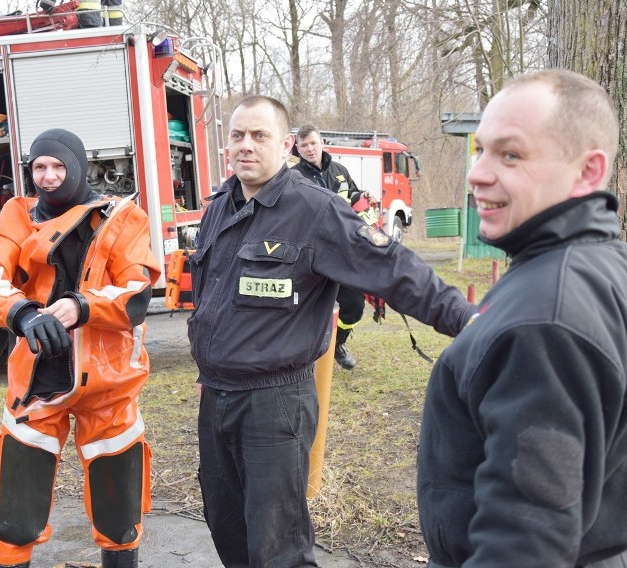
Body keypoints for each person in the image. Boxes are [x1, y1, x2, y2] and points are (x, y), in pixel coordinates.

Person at [416, 69, 627, 567]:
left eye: (511, 154)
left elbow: (524, 544)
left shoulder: (542, 320)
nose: (478, 173)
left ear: (589, 171)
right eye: (480, 150)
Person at [187, 95, 476, 568]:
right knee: (228, 530)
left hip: (274, 401)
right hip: (217, 396)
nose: (246, 146)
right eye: (237, 136)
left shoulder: (315, 210)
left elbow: (394, 270)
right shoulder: (221, 204)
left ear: (286, 146)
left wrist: (467, 321)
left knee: (278, 547)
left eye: (259, 136)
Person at [0, 128, 160, 568]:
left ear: (78, 167)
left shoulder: (121, 219)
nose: (49, 176)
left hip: (109, 383)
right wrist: (24, 314)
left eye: (58, 166)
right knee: (16, 512)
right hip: (37, 379)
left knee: (119, 514)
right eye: (40, 167)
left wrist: (79, 306)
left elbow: (137, 293)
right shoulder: (17, 214)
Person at [291, 124, 368, 369]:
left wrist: (365, 198)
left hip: (342, 252)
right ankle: (302, 356)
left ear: (321, 142)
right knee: (304, 308)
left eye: (313, 143)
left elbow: (354, 199)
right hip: (310, 257)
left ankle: (338, 344)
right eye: (304, 145)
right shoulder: (293, 178)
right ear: (297, 148)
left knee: (354, 306)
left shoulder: (340, 171)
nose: (310, 149)